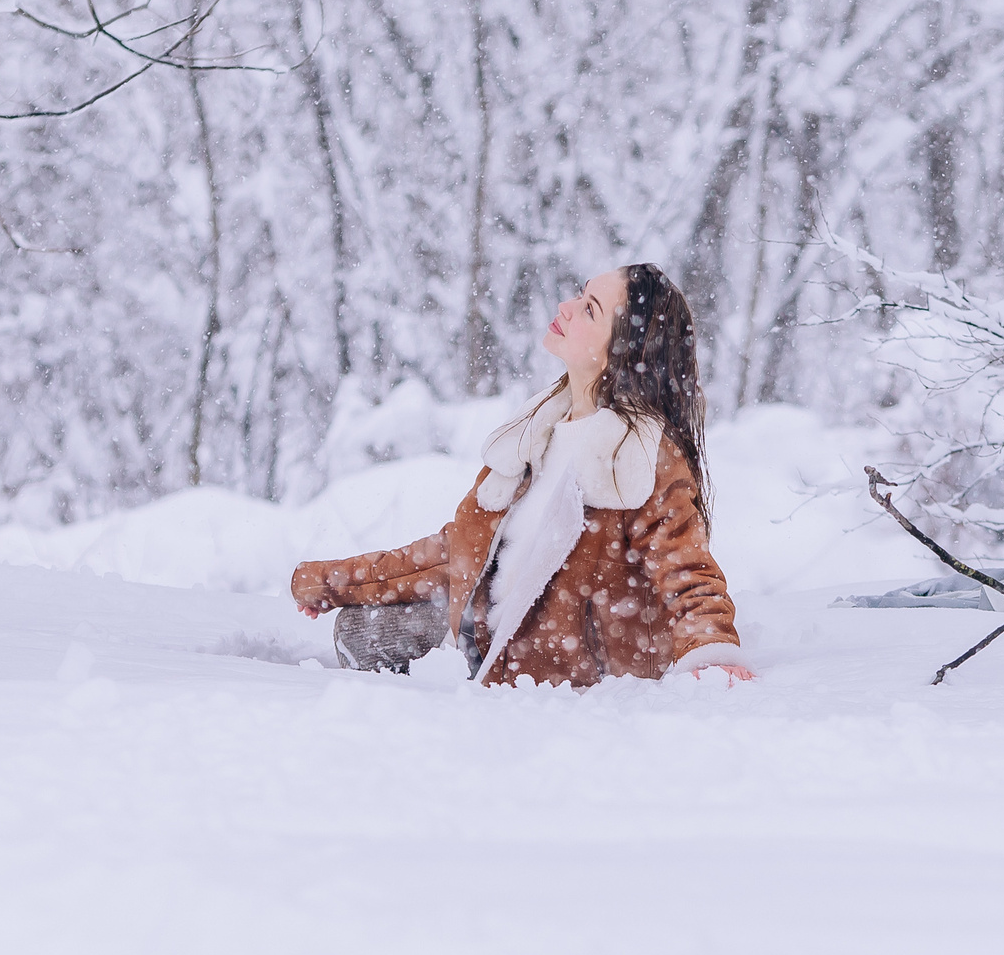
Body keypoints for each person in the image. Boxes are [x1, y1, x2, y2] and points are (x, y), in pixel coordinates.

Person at [291, 264, 751, 686]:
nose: (565, 308)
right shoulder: (536, 432)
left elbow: (687, 570)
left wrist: (709, 652)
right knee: (356, 630)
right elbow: (457, 553)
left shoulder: (638, 454)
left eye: (589, 309)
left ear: (624, 350)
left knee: (369, 640)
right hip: (493, 638)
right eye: (579, 295)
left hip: (561, 670)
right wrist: (331, 582)